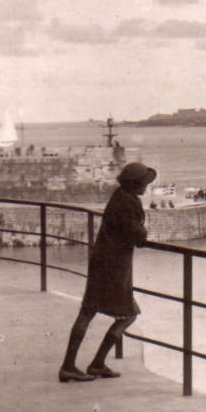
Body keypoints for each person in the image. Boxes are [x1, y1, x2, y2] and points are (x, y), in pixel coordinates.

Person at [58, 161, 156, 382]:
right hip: (114, 268)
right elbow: (139, 237)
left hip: (102, 263)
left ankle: (75, 365)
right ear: (136, 184)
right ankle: (92, 363)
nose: (146, 186)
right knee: (128, 314)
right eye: (144, 183)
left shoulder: (119, 197)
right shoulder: (128, 203)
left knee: (88, 311)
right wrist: (143, 231)